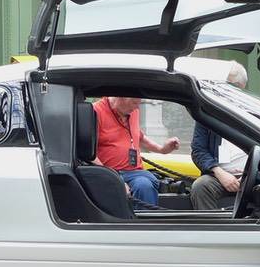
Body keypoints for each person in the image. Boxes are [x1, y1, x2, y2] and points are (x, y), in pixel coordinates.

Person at [92, 95, 178, 206]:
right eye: (134, 103)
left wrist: (162, 149)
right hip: (108, 172)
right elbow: (86, 153)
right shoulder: (95, 111)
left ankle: (146, 216)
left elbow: (139, 137)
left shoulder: (132, 111)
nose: (137, 108)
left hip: (135, 173)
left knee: (144, 185)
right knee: (141, 185)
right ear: (121, 97)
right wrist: (114, 179)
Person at [190, 61, 251, 210]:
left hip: (252, 174)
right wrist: (219, 172)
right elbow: (198, 150)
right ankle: (208, 225)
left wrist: (250, 174)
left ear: (241, 87)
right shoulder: (207, 114)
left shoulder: (253, 113)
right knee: (201, 186)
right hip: (219, 174)